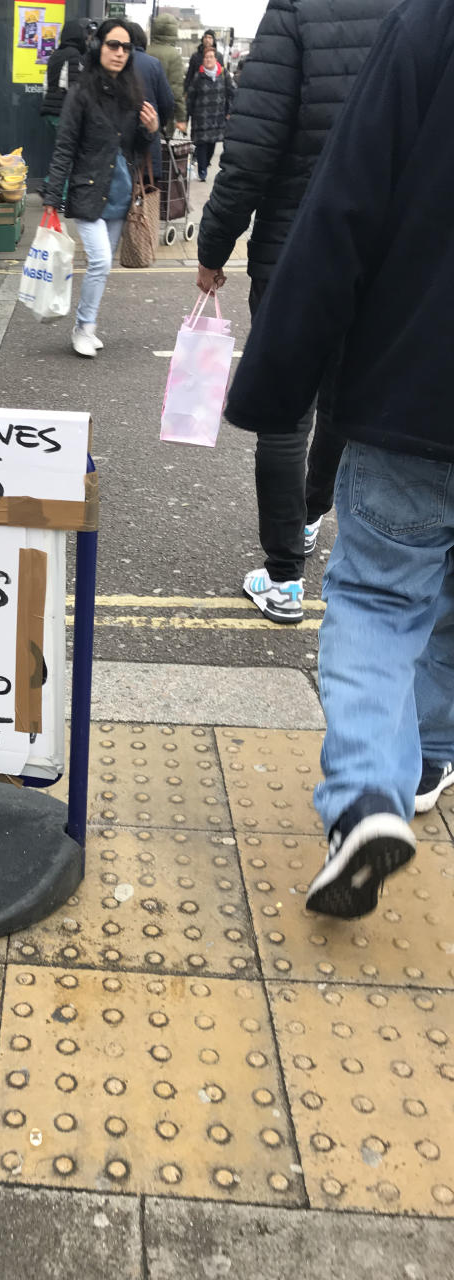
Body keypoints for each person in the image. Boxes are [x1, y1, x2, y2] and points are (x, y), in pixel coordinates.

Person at [225, 0, 454, 919]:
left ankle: (367, 795)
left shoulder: (432, 28)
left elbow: (343, 208)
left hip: (417, 387)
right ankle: (430, 756)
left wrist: (279, 384)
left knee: (379, 595)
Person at [196, 0, 392, 625]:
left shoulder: (295, 12)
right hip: (386, 249)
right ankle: (308, 517)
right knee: (343, 399)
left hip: (296, 244)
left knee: (286, 412)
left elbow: (251, 148)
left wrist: (212, 247)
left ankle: (283, 578)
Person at [42, 18, 159, 358]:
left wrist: (150, 129)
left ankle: (87, 325)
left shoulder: (132, 92)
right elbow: (64, 146)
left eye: (125, 47)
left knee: (102, 267)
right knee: (101, 262)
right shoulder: (81, 92)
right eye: (113, 45)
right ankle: (83, 327)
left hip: (120, 192)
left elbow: (135, 146)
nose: (119, 52)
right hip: (87, 191)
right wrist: (52, 198)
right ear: (99, 46)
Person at [39, 20, 88, 181]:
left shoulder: (55, 55)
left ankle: (49, 185)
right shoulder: (74, 56)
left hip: (49, 111)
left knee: (61, 153)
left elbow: (46, 85)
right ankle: (55, 190)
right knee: (68, 155)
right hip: (62, 113)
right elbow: (74, 89)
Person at [129, 23, 174, 180]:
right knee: (146, 195)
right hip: (148, 146)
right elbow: (167, 103)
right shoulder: (153, 64)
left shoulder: (113, 64)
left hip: (118, 155)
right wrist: (155, 124)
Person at [186, 48, 234, 181]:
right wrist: (186, 117)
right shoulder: (198, 76)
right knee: (201, 144)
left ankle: (205, 164)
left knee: (211, 147)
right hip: (200, 118)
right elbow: (190, 97)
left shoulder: (223, 74)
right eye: (206, 57)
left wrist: (230, 111)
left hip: (217, 118)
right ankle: (202, 170)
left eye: (211, 57)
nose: (208, 59)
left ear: (215, 59)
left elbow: (232, 92)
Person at [146, 14, 187, 135]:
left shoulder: (145, 50)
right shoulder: (174, 55)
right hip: (162, 114)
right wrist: (181, 117)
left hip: (143, 110)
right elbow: (176, 89)